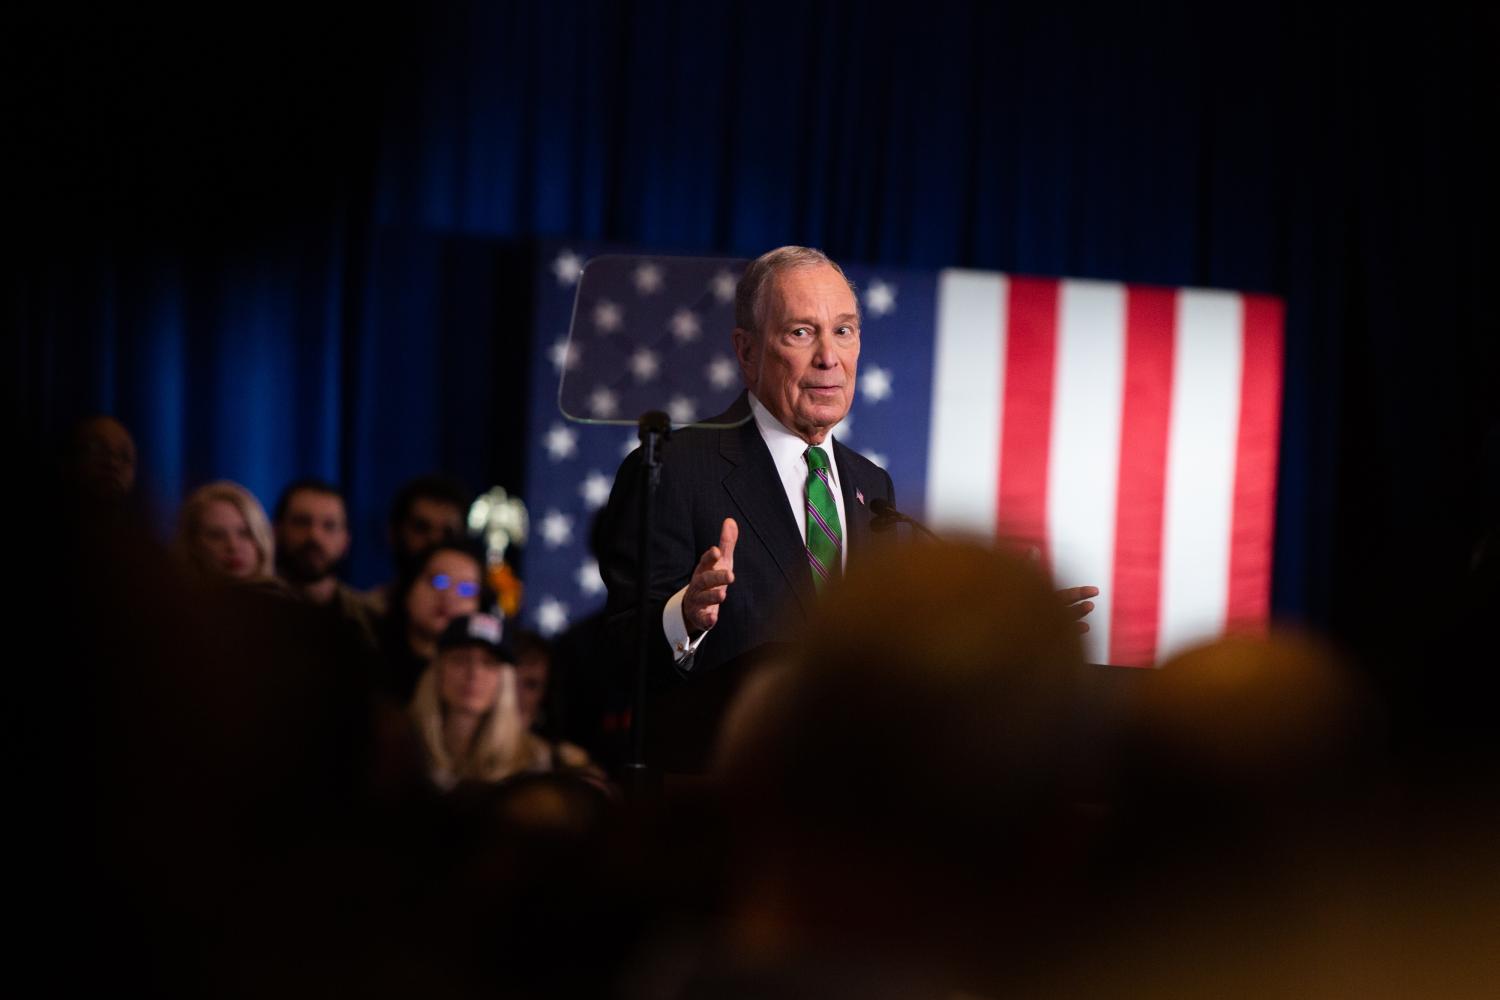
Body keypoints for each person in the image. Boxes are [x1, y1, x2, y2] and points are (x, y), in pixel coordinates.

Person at [599, 246, 1096, 766]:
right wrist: (686, 619)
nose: (829, 358)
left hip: (851, 801)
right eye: (800, 332)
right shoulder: (675, 469)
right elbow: (618, 659)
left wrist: (1000, 635)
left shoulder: (871, 485)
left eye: (844, 330)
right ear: (746, 352)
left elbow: (884, 657)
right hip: (723, 800)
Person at [408, 612, 527, 788]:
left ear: (505, 680)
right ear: (438, 671)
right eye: (460, 660)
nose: (474, 674)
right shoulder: (401, 745)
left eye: (488, 663)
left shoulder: (532, 761)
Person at [378, 541, 490, 704]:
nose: (449, 597)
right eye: (439, 581)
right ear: (410, 585)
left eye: (466, 589)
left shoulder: (476, 685)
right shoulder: (361, 651)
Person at [271, 478, 378, 648]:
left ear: (346, 541)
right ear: (276, 531)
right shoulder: (251, 612)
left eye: (329, 526)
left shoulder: (371, 623)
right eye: (302, 522)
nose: (314, 536)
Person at [365, 475, 469, 615]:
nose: (435, 541)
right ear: (393, 533)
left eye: (448, 533)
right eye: (422, 528)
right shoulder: (363, 616)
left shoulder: (477, 622)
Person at [174, 480, 276, 583]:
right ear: (193, 543)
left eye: (245, 533)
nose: (233, 546)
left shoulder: (283, 597)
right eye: (217, 536)